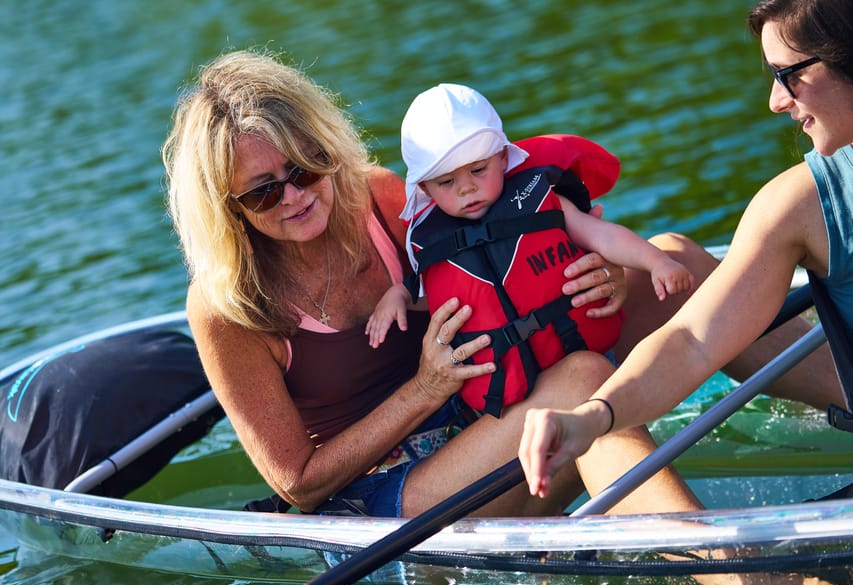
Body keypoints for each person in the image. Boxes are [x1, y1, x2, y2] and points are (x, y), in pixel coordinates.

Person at [162, 49, 838, 522]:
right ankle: (720, 565)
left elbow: (515, 256)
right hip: (392, 496)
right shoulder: (226, 306)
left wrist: (601, 278)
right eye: (261, 192)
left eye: (306, 166)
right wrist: (424, 388)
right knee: (575, 381)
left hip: (488, 408)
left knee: (673, 264)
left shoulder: (380, 199)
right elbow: (298, 485)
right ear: (224, 207)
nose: (295, 196)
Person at [518, 0, 853, 502]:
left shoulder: (802, 202)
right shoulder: (797, 205)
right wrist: (594, 416)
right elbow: (692, 340)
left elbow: (694, 341)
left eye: (788, 75)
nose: (775, 101)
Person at [366, 83, 693, 418]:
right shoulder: (431, 241)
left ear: (503, 157)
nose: (466, 187)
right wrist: (400, 297)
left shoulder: (539, 200)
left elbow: (603, 236)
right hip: (508, 406)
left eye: (478, 169)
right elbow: (437, 300)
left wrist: (656, 262)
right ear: (424, 189)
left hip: (585, 361)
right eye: (446, 182)